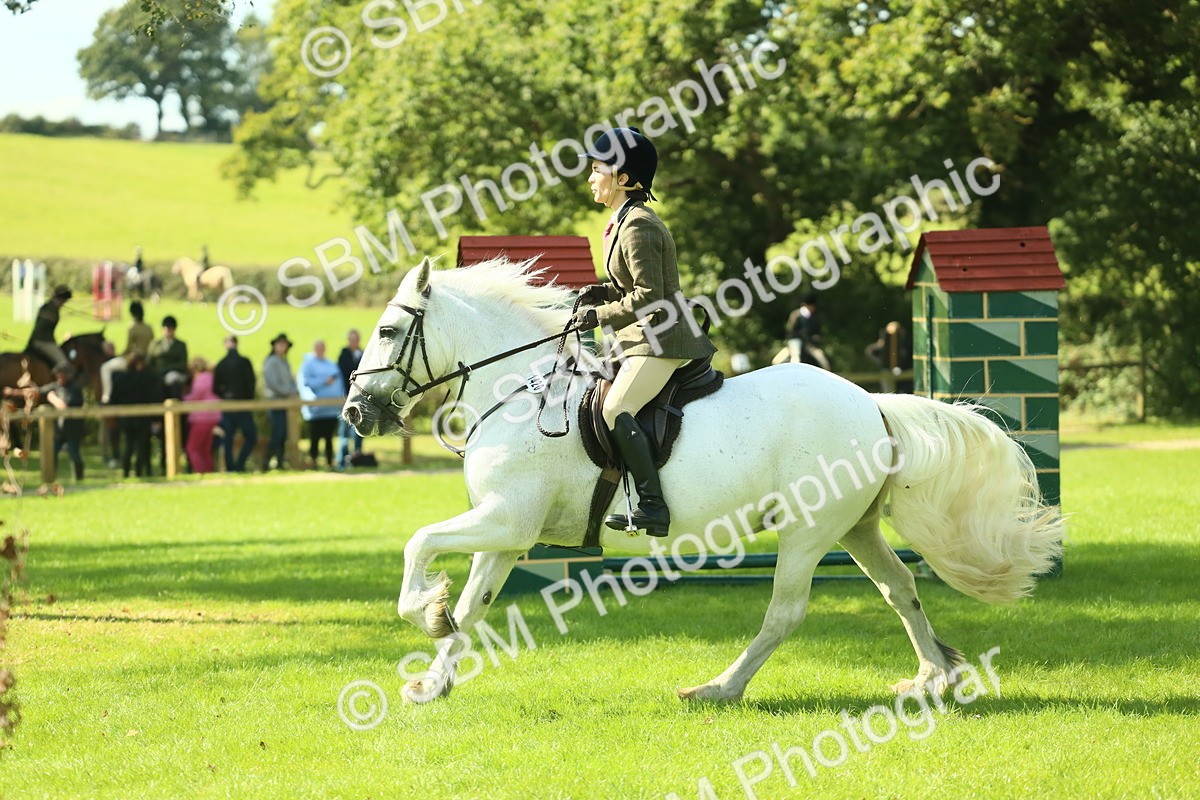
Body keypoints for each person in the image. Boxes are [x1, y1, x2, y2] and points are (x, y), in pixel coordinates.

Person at [570, 127, 716, 537]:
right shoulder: (620, 222)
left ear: (624, 179)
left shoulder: (638, 225)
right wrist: (601, 292)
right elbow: (631, 285)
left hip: (662, 337)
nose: (590, 178)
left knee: (616, 408)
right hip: (642, 336)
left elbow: (651, 295)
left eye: (597, 170)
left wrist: (600, 315)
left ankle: (652, 505)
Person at [109, 353, 161, 478]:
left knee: (128, 444)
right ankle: (139, 471)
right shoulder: (146, 378)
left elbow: (114, 398)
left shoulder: (120, 378)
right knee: (142, 445)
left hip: (126, 418)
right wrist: (155, 417)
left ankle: (126, 471)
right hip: (143, 417)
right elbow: (152, 397)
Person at [213, 334, 258, 472]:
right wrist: (248, 398)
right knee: (251, 436)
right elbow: (251, 383)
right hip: (243, 405)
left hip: (228, 405)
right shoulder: (244, 362)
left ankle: (230, 467)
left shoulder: (221, 364)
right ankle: (240, 464)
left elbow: (215, 388)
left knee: (228, 438)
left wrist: (224, 395)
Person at [298, 339, 343, 469]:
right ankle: (313, 462)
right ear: (314, 349)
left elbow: (339, 382)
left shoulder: (331, 364)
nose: (320, 350)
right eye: (318, 347)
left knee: (329, 438)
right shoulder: (308, 365)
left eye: (322, 347)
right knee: (315, 437)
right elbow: (305, 383)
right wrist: (323, 381)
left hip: (331, 409)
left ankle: (330, 462)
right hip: (315, 410)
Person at [100, 300, 154, 403]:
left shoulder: (132, 327)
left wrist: (117, 355)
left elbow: (128, 348)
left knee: (105, 368)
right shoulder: (149, 328)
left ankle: (106, 397)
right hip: (147, 360)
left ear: (132, 313)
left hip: (133, 359)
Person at [261, 333, 298, 471]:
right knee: (278, 432)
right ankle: (267, 460)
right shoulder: (271, 361)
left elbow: (291, 381)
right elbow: (273, 383)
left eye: (284, 345)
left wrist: (294, 390)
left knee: (283, 433)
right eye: (280, 344)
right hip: (275, 401)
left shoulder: (284, 362)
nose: (282, 347)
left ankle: (280, 461)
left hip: (285, 402)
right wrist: (288, 391)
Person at [44, 366, 86, 481]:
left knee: (74, 454)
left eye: (61, 375)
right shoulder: (56, 386)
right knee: (52, 454)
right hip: (59, 430)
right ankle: (51, 477)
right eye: (57, 375)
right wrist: (14, 392)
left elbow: (64, 407)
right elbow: (38, 391)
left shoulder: (75, 389)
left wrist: (52, 398)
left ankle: (79, 478)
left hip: (72, 429)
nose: (59, 378)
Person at [25, 284, 75, 377]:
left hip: (35, 340)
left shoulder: (46, 306)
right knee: (64, 363)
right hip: (44, 342)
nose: (64, 303)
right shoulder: (53, 310)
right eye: (65, 301)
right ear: (62, 299)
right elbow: (43, 329)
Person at [182, 357, 222, 473]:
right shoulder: (212, 377)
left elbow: (195, 397)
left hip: (201, 417)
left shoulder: (201, 379)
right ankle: (209, 471)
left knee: (192, 448)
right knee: (205, 448)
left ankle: (200, 471)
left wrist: (183, 398)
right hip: (214, 415)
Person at [336, 329, 364, 469]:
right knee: (345, 432)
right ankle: (342, 461)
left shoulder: (363, 354)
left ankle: (357, 459)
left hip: (361, 398)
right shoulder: (344, 355)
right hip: (347, 397)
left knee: (359, 431)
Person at [866, 321, 913, 393]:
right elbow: (870, 351)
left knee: (903, 393)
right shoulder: (884, 342)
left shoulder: (904, 342)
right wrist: (882, 363)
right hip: (887, 371)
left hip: (903, 371)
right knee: (888, 393)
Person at [147, 315, 189, 395]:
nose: (168, 331)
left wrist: (167, 369)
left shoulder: (181, 345)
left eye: (170, 328)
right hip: (157, 374)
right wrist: (157, 371)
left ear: (174, 329)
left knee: (173, 380)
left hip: (174, 373)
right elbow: (149, 361)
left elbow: (183, 364)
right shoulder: (155, 344)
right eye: (166, 328)